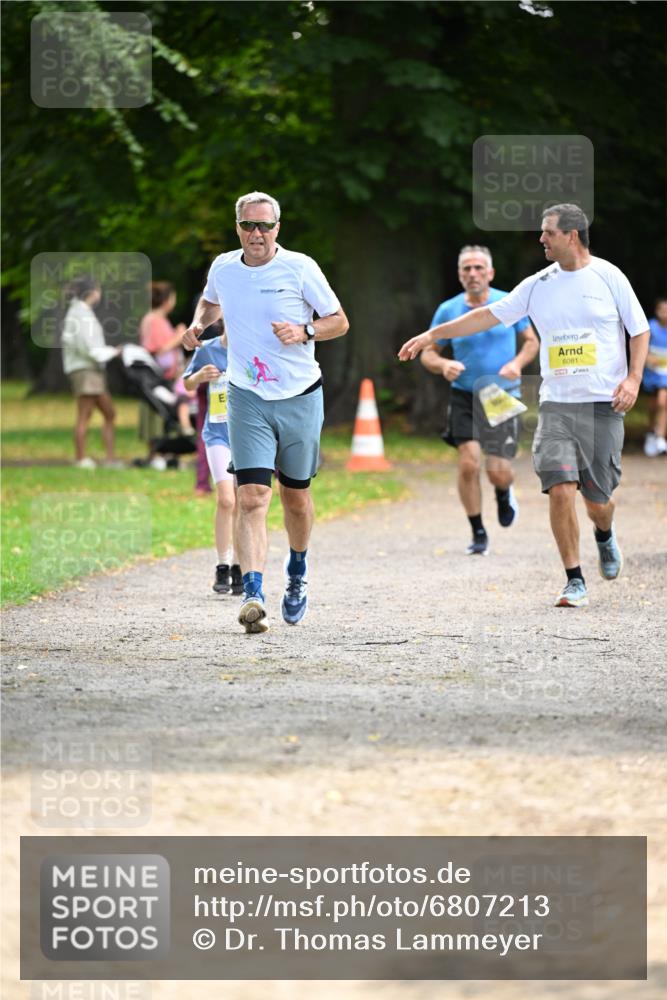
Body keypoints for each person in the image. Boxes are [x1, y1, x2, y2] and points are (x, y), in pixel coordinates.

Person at [399, 204, 649, 608]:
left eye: (548, 232)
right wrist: (432, 335)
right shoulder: (538, 284)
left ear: (571, 235)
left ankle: (604, 533)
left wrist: (633, 379)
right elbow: (483, 317)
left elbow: (638, 331)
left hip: (603, 403)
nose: (541, 239)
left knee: (598, 500)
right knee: (560, 488)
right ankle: (574, 579)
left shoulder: (609, 276)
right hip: (556, 406)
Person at [182, 190, 349, 633]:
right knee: (252, 496)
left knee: (296, 498)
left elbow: (339, 321)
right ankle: (253, 593)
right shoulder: (223, 267)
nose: (257, 234)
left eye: (265, 226)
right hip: (246, 395)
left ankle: (297, 571)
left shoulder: (300, 267)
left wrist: (305, 329)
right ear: (237, 227)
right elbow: (211, 300)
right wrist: (200, 324)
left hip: (298, 395)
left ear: (278, 227)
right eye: (248, 225)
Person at [421, 245, 538, 555]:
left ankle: (503, 491)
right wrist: (443, 365)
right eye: (466, 269)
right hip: (464, 395)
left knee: (497, 470)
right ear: (460, 275)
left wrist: (516, 364)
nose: (473, 274)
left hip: (500, 396)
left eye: (478, 268)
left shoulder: (507, 303)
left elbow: (531, 342)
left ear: (490, 273)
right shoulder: (448, 310)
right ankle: (478, 532)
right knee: (469, 463)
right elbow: (428, 352)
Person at [183, 332, 242, 596]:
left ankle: (241, 566)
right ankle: (222, 564)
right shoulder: (208, 348)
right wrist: (199, 377)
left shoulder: (253, 343)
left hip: (248, 434)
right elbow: (187, 384)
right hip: (218, 433)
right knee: (227, 500)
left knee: (245, 500)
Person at [61, 276, 121, 469]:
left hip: (92, 369)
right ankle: (80, 458)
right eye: (98, 289)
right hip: (85, 369)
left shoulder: (82, 312)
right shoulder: (79, 315)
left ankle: (109, 459)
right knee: (85, 414)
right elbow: (87, 347)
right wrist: (113, 352)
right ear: (92, 292)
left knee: (109, 413)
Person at [139, 282, 190, 467]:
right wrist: (178, 337)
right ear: (167, 300)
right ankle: (155, 454)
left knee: (166, 415)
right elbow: (157, 350)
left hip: (166, 377)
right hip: (155, 378)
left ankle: (164, 453)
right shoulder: (153, 320)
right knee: (156, 415)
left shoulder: (160, 319)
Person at [642, 296, 667, 457]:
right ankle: (651, 433)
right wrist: (648, 358)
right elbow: (642, 349)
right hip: (652, 372)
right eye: (662, 310)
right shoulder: (650, 327)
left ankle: (660, 437)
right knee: (652, 406)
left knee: (662, 400)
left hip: (666, 373)